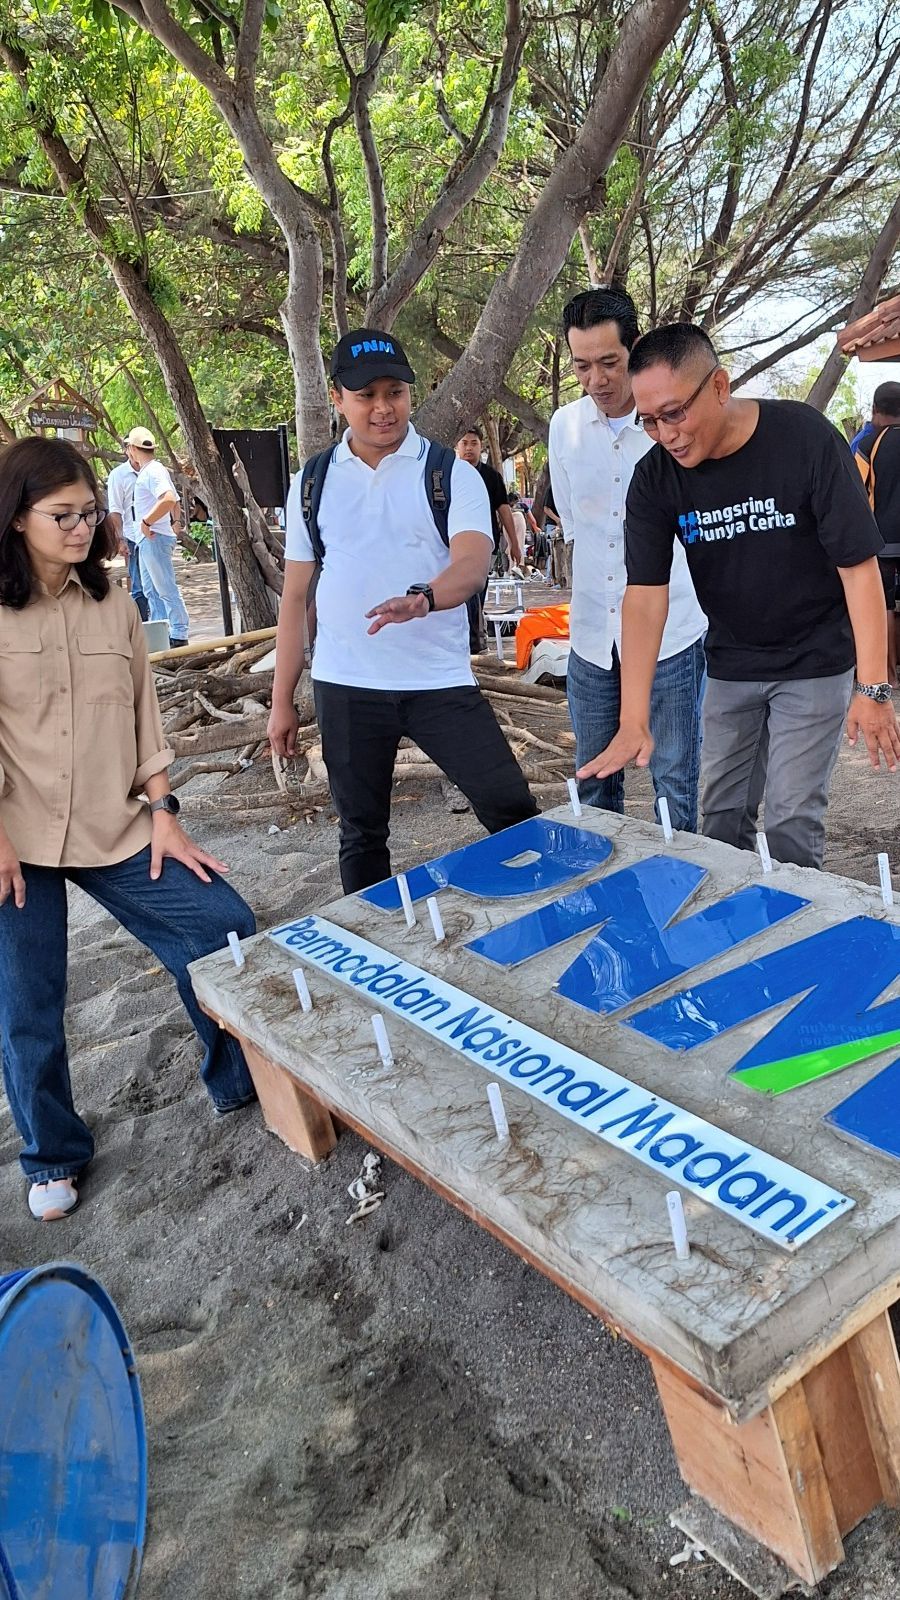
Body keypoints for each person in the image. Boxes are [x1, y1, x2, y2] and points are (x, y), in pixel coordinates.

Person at [0, 437, 257, 1221]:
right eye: (62, 516)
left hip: (117, 824)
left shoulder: (116, 600)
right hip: (16, 840)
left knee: (223, 923)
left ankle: (239, 1085)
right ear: (16, 519)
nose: (82, 529)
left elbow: (144, 714)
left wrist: (164, 810)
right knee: (26, 1003)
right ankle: (52, 1155)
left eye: (90, 514)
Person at [580, 323, 900, 870]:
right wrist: (633, 717)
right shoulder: (655, 477)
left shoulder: (804, 438)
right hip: (730, 663)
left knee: (790, 821)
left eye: (675, 413)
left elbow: (858, 567)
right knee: (721, 819)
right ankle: (731, 934)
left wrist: (872, 686)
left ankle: (794, 938)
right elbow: (644, 596)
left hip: (815, 659)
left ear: (720, 386)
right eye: (649, 420)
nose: (666, 435)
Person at [268, 328, 537, 892]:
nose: (383, 408)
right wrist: (281, 703)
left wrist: (424, 600)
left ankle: (540, 914)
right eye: (366, 395)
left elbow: (471, 561)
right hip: (345, 685)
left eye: (395, 391)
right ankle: (374, 945)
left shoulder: (449, 473)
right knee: (362, 833)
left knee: (512, 809)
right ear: (338, 399)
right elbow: (296, 598)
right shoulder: (310, 483)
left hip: (437, 682)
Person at [550, 289, 707, 829]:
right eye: (582, 366)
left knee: (673, 784)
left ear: (634, 349)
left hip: (673, 632)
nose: (596, 380)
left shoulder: (675, 429)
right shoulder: (563, 428)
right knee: (593, 783)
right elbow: (574, 527)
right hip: (593, 636)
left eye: (609, 363)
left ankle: (681, 895)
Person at [127, 426, 190, 649]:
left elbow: (169, 498)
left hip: (154, 537)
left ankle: (179, 631)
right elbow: (174, 501)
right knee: (151, 590)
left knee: (164, 588)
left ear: (132, 449)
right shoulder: (152, 471)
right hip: (149, 539)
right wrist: (175, 522)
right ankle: (161, 632)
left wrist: (147, 522)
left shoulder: (153, 471)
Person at [455, 425, 518, 650]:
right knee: (460, 592)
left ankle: (475, 636)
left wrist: (515, 544)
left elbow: (503, 510)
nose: (468, 448)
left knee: (477, 589)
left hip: (486, 543)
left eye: (473, 443)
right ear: (457, 446)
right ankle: (466, 637)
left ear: (481, 447)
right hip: (454, 545)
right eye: (464, 443)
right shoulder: (448, 473)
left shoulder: (491, 476)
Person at [854, 381, 900, 685]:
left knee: (883, 605)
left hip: (882, 541)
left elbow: (855, 494)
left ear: (875, 409)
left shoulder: (869, 444)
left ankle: (890, 674)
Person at [106, 447, 150, 621]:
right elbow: (115, 510)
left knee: (158, 585)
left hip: (154, 535)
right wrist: (120, 539)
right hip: (133, 537)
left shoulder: (153, 470)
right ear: (128, 451)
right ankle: (143, 626)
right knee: (139, 585)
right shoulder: (119, 475)